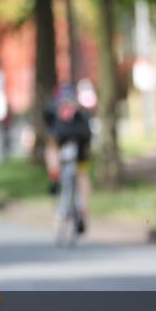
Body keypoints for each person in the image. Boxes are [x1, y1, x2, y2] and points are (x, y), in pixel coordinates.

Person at [43, 82, 92, 234]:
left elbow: (48, 123)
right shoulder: (81, 114)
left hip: (71, 140)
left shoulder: (54, 111)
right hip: (81, 143)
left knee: (52, 149)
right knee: (82, 175)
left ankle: (54, 177)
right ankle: (83, 210)